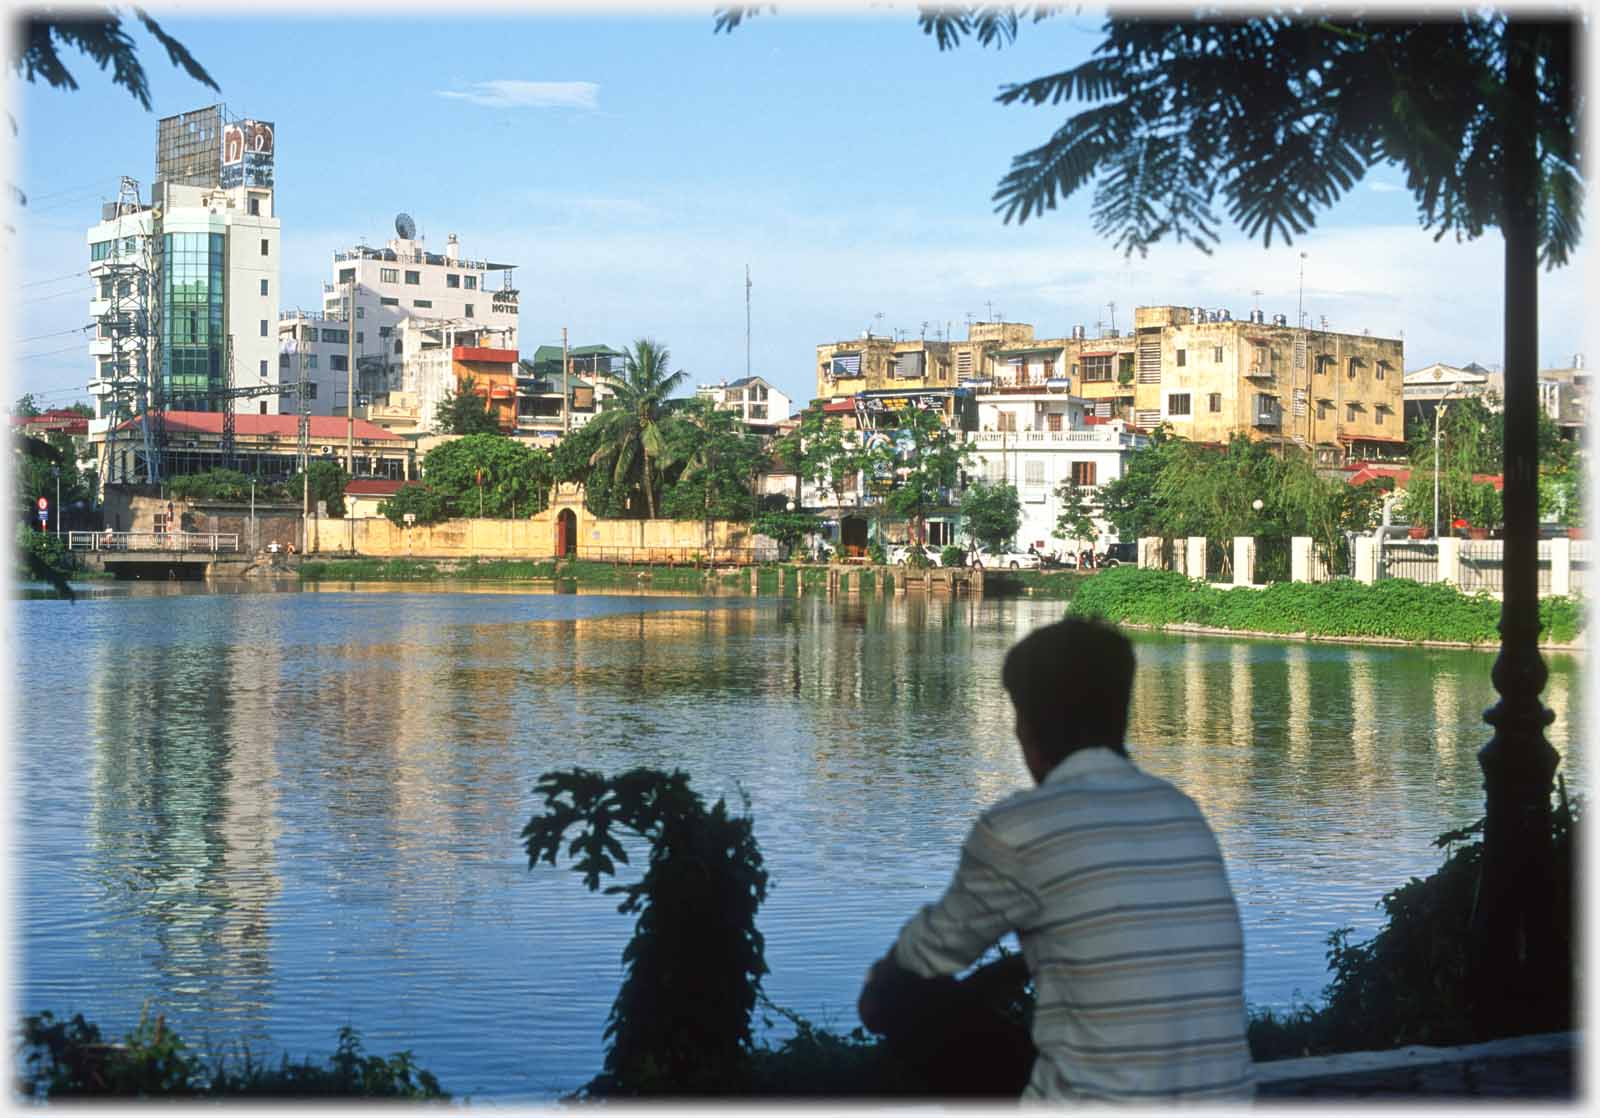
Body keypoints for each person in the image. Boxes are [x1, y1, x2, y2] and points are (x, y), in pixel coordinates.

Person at [857, 618, 1253, 1102]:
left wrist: (886, 986)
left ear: (1026, 726)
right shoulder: (1180, 811)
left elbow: (924, 957)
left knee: (896, 998)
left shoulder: (1022, 826)